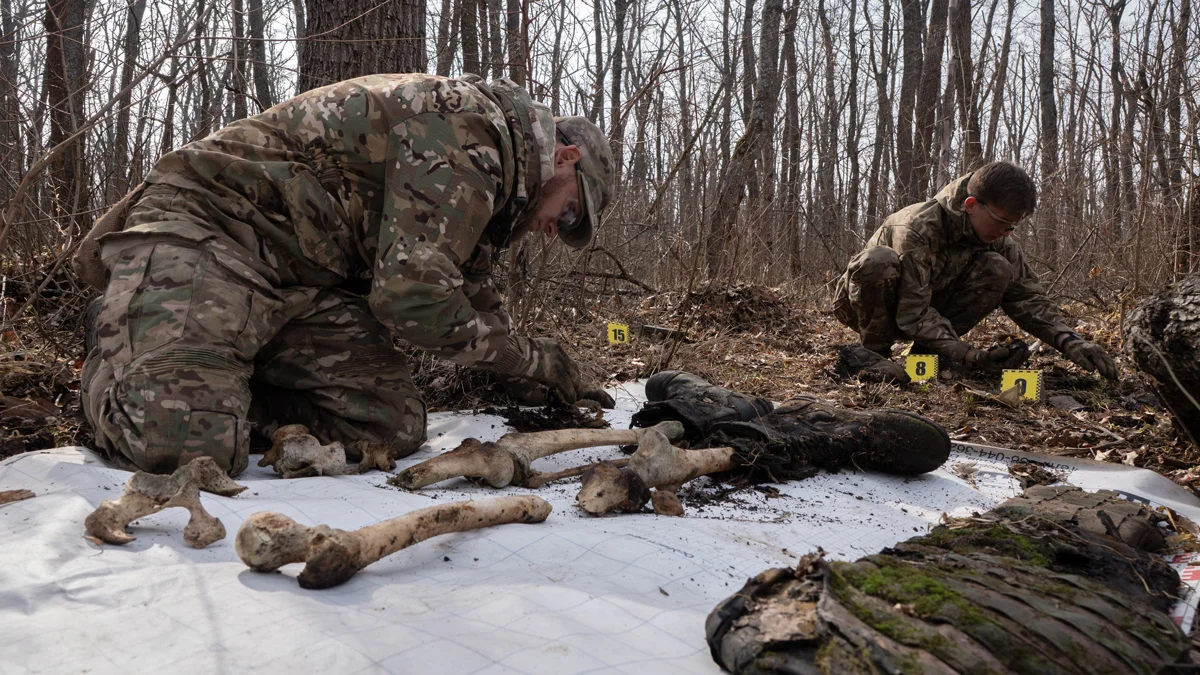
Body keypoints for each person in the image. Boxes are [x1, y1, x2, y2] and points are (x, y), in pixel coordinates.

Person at [75, 73, 615, 476]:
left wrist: (541, 376)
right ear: (564, 158)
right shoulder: (469, 133)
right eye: (570, 212)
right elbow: (413, 297)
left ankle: (217, 372)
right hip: (213, 230)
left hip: (302, 282)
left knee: (389, 425)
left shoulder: (499, 183)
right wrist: (530, 359)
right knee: (182, 444)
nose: (556, 229)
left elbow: (469, 290)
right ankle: (114, 341)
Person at [833, 161, 1118, 383]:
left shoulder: (997, 237)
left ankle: (927, 355)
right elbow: (913, 314)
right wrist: (971, 355)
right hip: (869, 309)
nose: (1006, 233)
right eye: (1002, 224)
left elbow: (1027, 296)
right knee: (878, 261)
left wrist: (1069, 340)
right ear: (971, 205)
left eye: (1013, 227)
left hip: (925, 308)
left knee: (998, 267)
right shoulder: (917, 228)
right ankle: (873, 356)